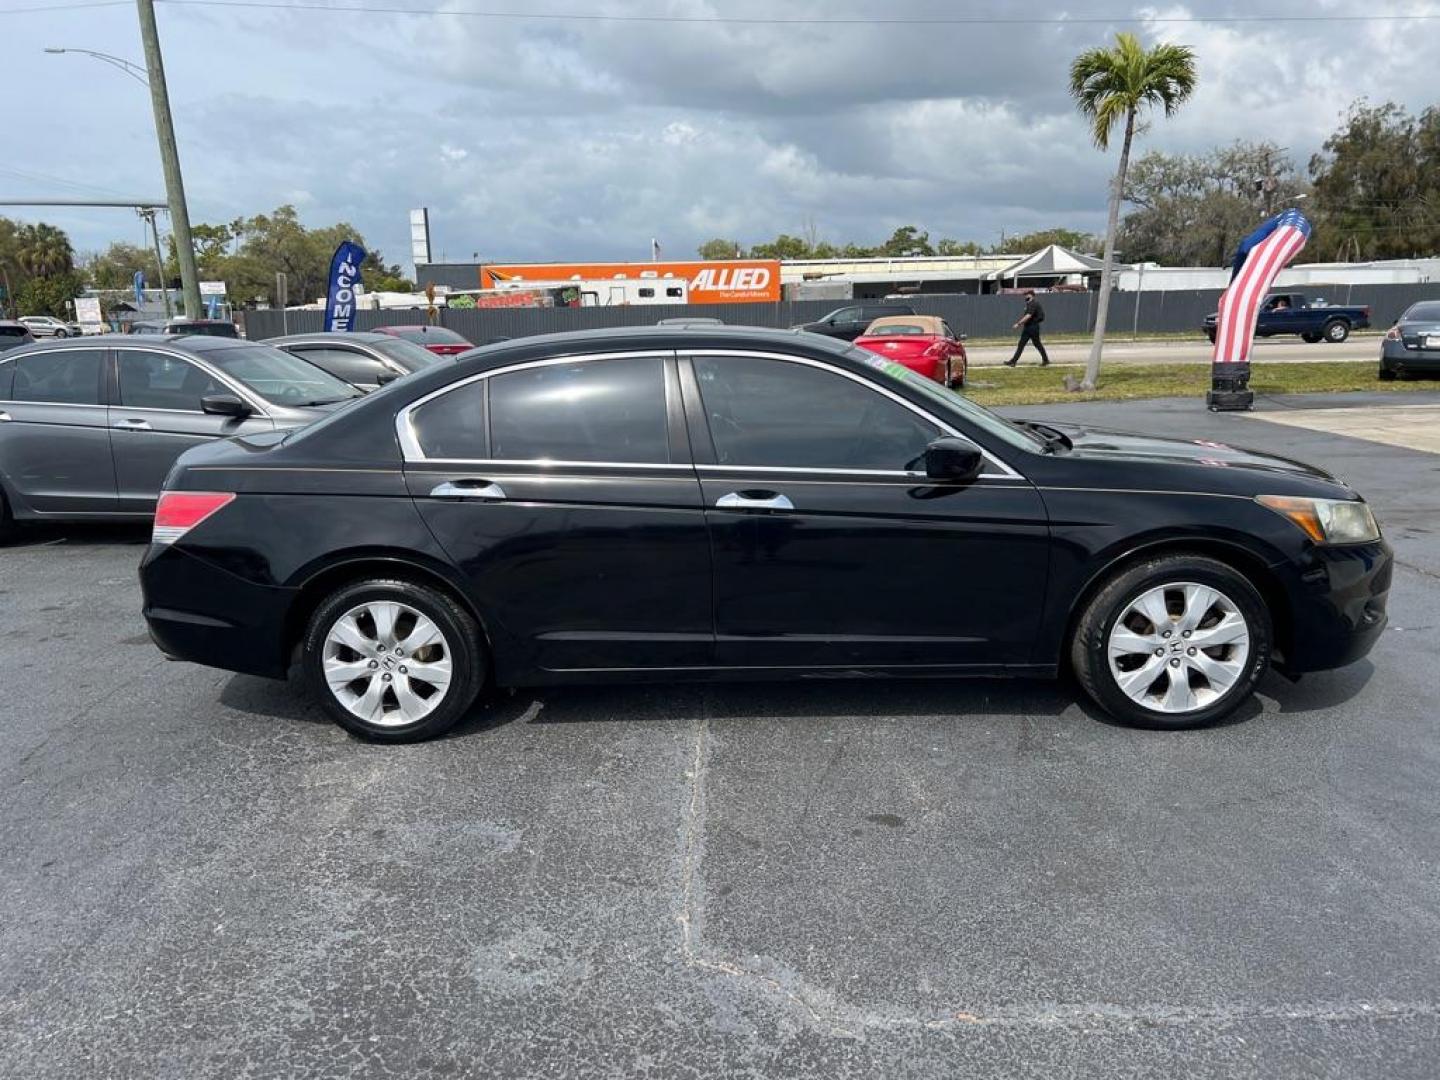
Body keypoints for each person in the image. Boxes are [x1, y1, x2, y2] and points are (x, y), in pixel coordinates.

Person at [1006, 289, 1049, 367]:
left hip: (1033, 327)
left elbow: (1028, 316)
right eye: (1025, 294)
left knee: (1036, 344)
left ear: (1031, 295)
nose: (1025, 296)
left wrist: (1018, 324)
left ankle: (1045, 360)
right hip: (1028, 327)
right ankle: (1013, 361)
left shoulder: (1033, 304)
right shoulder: (1029, 304)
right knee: (1022, 344)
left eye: (1027, 294)